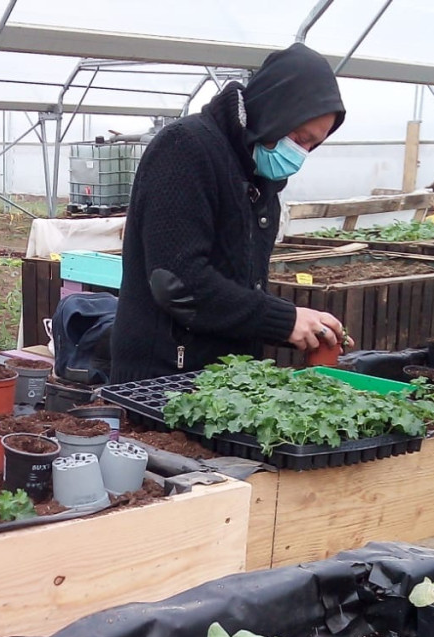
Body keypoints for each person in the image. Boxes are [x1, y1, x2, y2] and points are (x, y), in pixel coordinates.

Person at [110, 43, 348, 383]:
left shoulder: (260, 178)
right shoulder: (186, 149)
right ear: (272, 110)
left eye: (312, 145)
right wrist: (284, 319)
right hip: (164, 378)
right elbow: (178, 282)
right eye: (298, 136)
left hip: (226, 384)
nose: (300, 153)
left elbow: (237, 285)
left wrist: (297, 325)